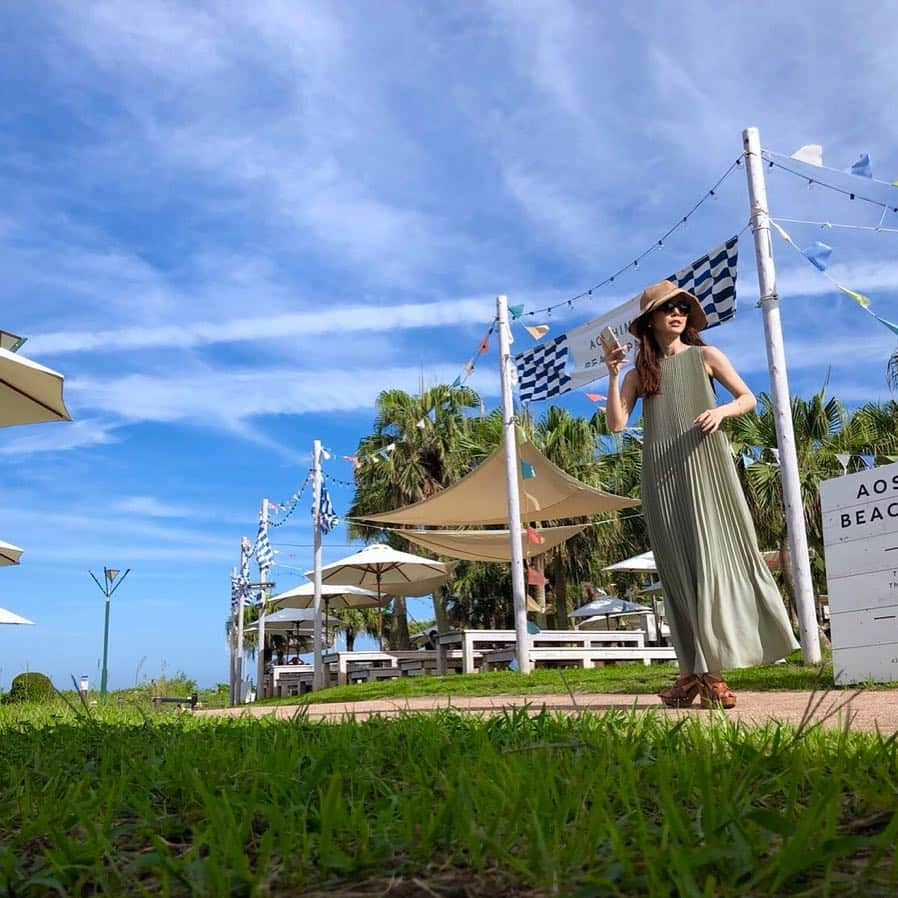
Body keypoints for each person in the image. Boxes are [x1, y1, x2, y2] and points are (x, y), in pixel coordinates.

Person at [603, 279, 799, 709]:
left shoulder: (706, 357)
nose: (677, 313)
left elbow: (747, 398)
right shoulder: (639, 374)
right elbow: (615, 426)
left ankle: (713, 673)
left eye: (682, 308)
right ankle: (689, 675)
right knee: (676, 573)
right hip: (661, 478)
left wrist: (721, 410)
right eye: (667, 308)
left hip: (708, 470)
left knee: (713, 562)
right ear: (649, 321)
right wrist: (615, 372)